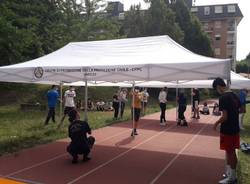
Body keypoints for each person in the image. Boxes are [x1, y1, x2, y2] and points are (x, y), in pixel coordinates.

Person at [212, 77, 240, 184]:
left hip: (227, 129)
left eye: (216, 89)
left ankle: (232, 178)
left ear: (219, 86)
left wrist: (216, 123)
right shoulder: (234, 95)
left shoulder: (223, 97)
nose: (217, 91)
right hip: (235, 127)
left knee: (229, 152)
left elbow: (224, 116)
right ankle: (231, 174)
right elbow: (241, 110)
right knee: (232, 152)